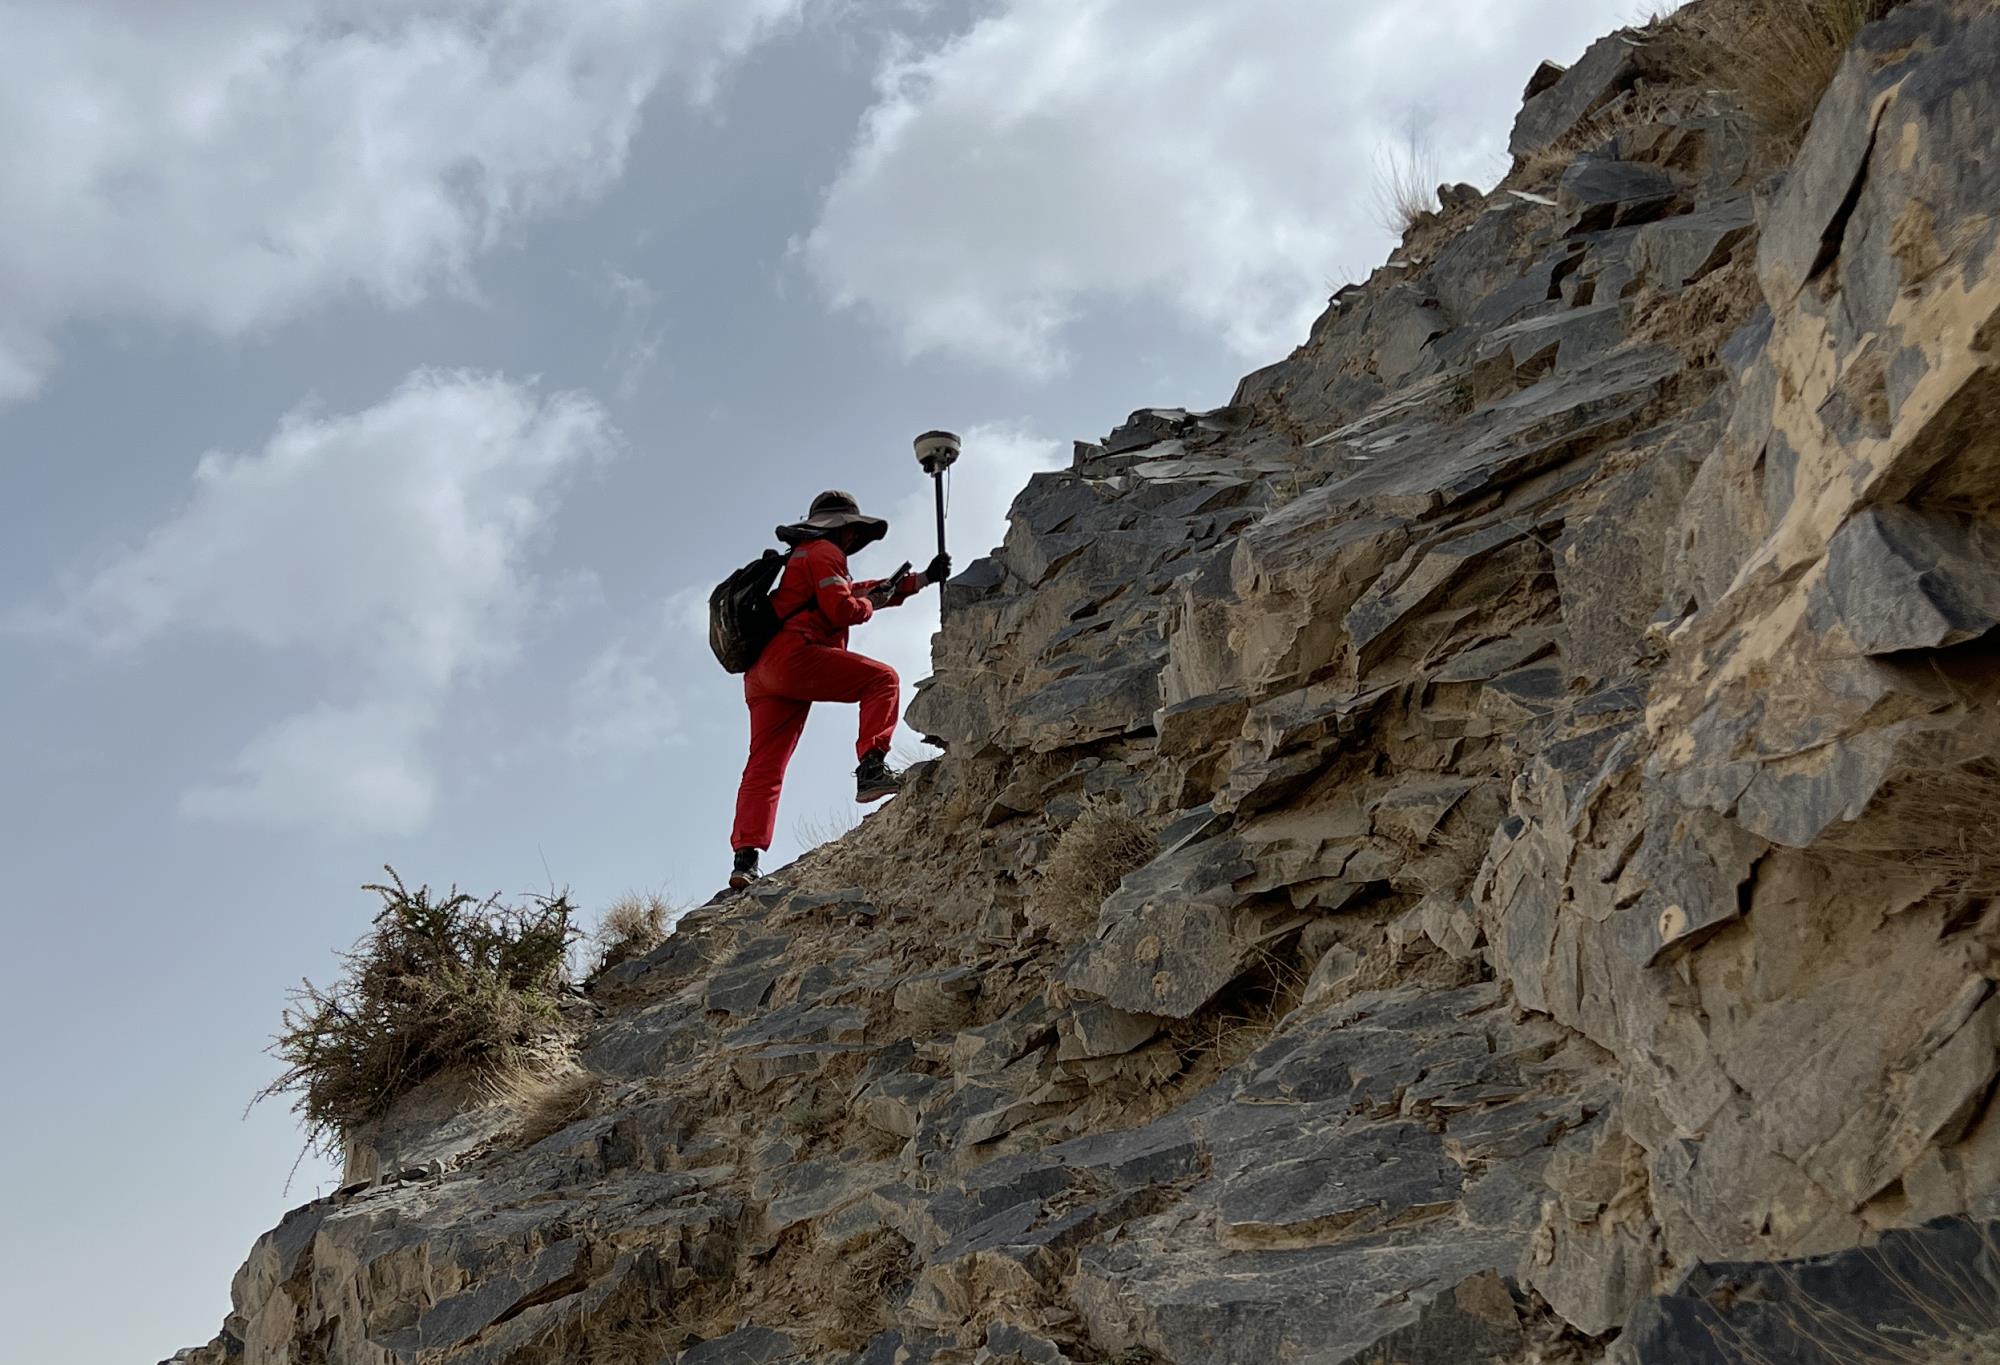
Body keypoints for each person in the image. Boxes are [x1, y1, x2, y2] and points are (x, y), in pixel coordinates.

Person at [729, 489, 950, 888]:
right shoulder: (826, 552)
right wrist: (869, 606)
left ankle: (745, 860)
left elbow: (856, 590)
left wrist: (920, 580)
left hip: (761, 672)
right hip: (794, 657)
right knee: (883, 680)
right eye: (852, 531)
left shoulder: (803, 556)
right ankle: (871, 768)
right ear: (846, 529)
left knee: (764, 766)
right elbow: (844, 608)